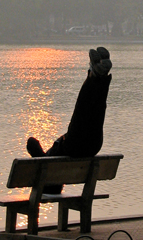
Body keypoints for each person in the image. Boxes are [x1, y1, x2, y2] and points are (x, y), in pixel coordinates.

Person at [26, 47, 113, 192]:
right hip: (74, 145)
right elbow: (31, 143)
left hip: (94, 146)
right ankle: (94, 74)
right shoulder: (45, 165)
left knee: (97, 111)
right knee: (83, 108)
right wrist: (36, 155)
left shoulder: (53, 166)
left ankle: (101, 77)